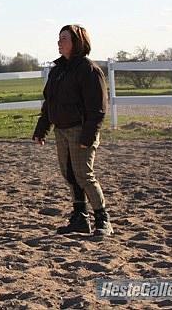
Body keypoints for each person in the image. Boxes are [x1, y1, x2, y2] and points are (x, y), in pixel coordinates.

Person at [32, 25, 114, 237]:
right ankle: (80, 217)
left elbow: (98, 108)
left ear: (77, 42)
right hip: (61, 131)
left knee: (84, 175)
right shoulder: (58, 70)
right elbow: (49, 102)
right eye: (59, 38)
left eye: (64, 39)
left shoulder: (88, 70)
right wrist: (42, 129)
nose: (59, 42)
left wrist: (88, 136)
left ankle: (103, 219)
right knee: (69, 174)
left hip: (81, 131)